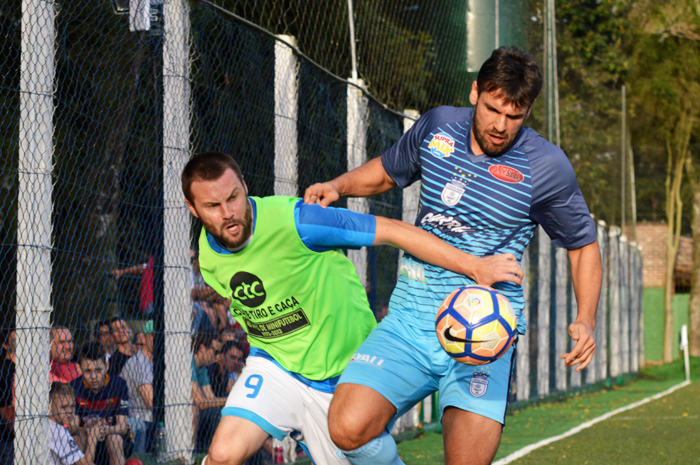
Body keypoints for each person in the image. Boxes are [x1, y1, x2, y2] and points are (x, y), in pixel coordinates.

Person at [304, 46, 603, 465]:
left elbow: (582, 244)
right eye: (493, 109)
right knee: (347, 428)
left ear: (528, 112)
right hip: (410, 321)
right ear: (474, 91)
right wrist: (339, 186)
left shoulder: (547, 165)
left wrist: (585, 318)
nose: (500, 125)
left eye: (514, 116)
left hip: (485, 337)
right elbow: (388, 171)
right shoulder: (438, 126)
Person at [181, 151, 521, 465]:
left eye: (233, 198)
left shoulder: (299, 222)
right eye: (212, 205)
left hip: (341, 377)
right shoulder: (208, 256)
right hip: (276, 367)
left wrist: (473, 265)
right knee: (222, 454)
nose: (227, 214)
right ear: (193, 208)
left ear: (245, 187)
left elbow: (393, 231)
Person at [71, 343, 130, 465]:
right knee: (78, 437)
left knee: (114, 439)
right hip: (87, 439)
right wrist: (88, 429)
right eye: (88, 371)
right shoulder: (74, 387)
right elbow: (74, 427)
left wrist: (102, 429)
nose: (94, 377)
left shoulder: (118, 385)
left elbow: (123, 427)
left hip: (112, 439)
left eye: (98, 370)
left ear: (107, 366)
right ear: (79, 369)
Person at [119, 323, 154, 453]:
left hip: (149, 419)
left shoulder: (153, 361)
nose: (158, 340)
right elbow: (151, 402)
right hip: (139, 419)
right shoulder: (139, 362)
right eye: (153, 336)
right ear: (146, 337)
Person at [191, 332, 227, 453]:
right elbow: (201, 402)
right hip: (189, 411)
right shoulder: (188, 363)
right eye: (214, 351)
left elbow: (210, 398)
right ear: (202, 348)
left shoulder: (202, 368)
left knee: (222, 412)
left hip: (199, 412)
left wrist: (225, 401)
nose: (216, 356)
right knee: (217, 413)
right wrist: (228, 400)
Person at [49, 382, 101, 465]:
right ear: (49, 409)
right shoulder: (59, 432)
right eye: (64, 407)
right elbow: (86, 464)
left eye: (72, 406)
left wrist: (83, 432)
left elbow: (74, 459)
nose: (70, 411)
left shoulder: (50, 426)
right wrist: (93, 437)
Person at [0, 331, 15, 465]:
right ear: (5, 345)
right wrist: (17, 430)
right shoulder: (4, 370)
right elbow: (2, 408)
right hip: (8, 439)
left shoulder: (27, 367)